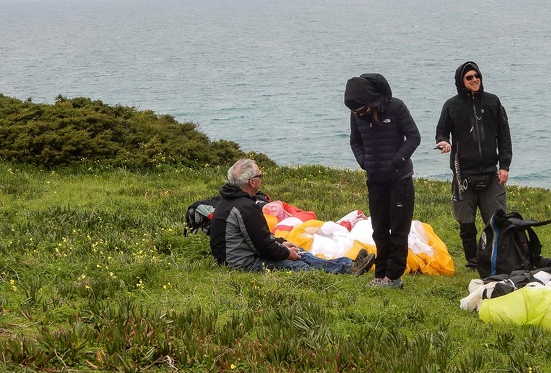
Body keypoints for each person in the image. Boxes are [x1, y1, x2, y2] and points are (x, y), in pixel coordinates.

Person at [210, 158, 375, 275]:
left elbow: (257, 237)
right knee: (297, 264)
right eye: (260, 176)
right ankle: (348, 268)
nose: (261, 179)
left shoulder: (231, 200)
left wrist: (281, 244)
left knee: (296, 250)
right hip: (240, 263)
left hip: (241, 254)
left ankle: (349, 265)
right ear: (252, 182)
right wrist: (284, 253)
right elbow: (262, 245)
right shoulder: (244, 207)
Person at [344, 73, 421, 289]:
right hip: (375, 180)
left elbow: (414, 136)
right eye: (354, 111)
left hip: (400, 180)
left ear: (370, 101)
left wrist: (397, 160)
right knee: (379, 229)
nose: (358, 114)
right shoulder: (357, 115)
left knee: (398, 230)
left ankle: (394, 277)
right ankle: (380, 275)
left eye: (360, 109)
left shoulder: (396, 107)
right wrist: (364, 161)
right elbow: (355, 141)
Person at [435, 61, 512, 270]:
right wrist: (444, 142)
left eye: (477, 76)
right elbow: (441, 131)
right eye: (469, 77)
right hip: (463, 175)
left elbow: (504, 135)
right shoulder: (451, 105)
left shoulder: (493, 102)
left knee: (497, 221)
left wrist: (504, 166)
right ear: (461, 81)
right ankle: (473, 261)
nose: (474, 80)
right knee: (466, 223)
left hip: (490, 173)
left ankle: (494, 258)